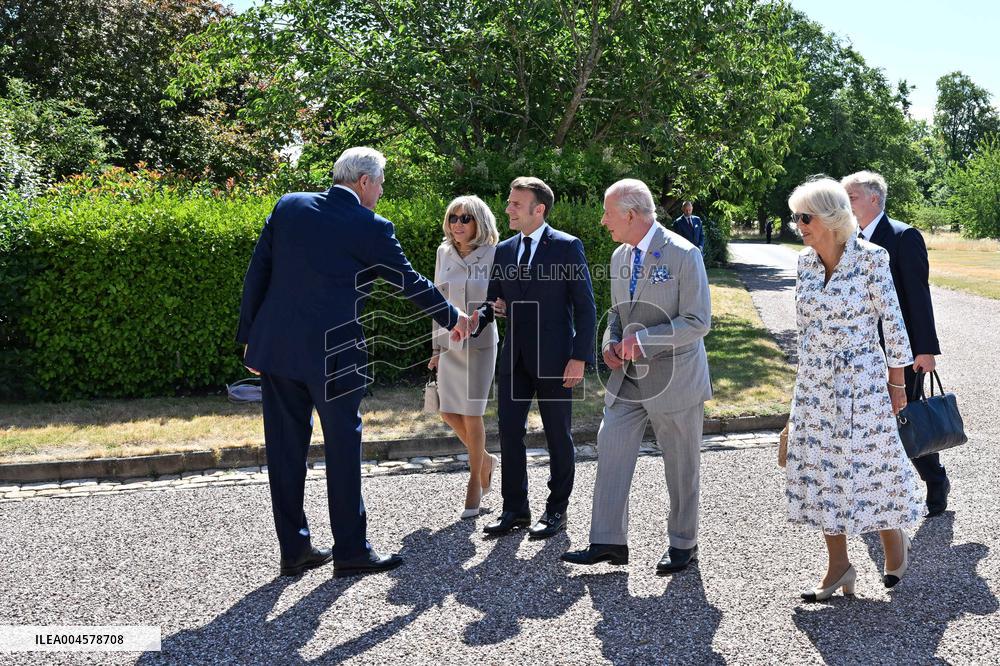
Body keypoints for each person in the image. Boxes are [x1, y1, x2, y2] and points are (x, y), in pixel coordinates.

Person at [237, 147, 474, 578]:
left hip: (278, 351)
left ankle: (294, 551)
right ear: (364, 182)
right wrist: (453, 318)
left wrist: (250, 341)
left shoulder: (289, 205)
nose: (381, 193)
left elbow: (259, 272)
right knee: (343, 449)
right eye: (380, 184)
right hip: (336, 356)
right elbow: (410, 282)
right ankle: (351, 551)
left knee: (285, 452)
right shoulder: (371, 226)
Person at [561, 179, 712, 574]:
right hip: (627, 380)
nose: (602, 221)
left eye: (608, 213)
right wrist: (611, 343)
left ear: (630, 214)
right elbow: (616, 314)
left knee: (681, 467)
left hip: (677, 380)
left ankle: (683, 544)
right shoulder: (617, 256)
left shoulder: (684, 254)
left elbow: (699, 322)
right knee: (610, 447)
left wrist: (644, 340)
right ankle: (608, 542)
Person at [785, 177, 922, 601]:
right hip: (816, 383)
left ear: (830, 217)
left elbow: (894, 324)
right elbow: (804, 333)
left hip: (862, 381)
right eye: (796, 217)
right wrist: (796, 403)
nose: (798, 225)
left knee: (870, 464)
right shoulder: (804, 265)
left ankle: (891, 537)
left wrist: (897, 382)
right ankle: (839, 566)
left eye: (805, 217)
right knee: (823, 470)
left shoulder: (872, 259)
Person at [472, 177, 597, 539]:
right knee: (509, 433)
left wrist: (579, 358)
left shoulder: (567, 247)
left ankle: (557, 510)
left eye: (515, 203)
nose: (507, 208)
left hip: (557, 360)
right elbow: (493, 302)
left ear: (537, 209)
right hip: (514, 359)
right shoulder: (505, 250)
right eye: (509, 202)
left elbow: (585, 308)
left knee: (558, 435)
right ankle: (515, 509)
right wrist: (473, 321)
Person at [842, 170, 950, 517]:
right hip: (862, 351)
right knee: (870, 421)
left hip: (901, 351)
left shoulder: (904, 237)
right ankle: (877, 494)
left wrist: (925, 350)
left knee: (906, 417)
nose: (847, 204)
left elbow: (918, 297)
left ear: (875, 199)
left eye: (852, 197)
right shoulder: (848, 241)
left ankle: (934, 479)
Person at [428, 196, 501, 519]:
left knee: (472, 413)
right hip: (448, 343)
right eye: (453, 217)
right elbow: (436, 300)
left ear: (479, 222)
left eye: (465, 218)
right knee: (446, 411)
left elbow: (500, 302)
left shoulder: (496, 254)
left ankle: (474, 481)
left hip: (481, 343)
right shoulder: (443, 252)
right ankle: (484, 460)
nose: (457, 224)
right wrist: (435, 349)